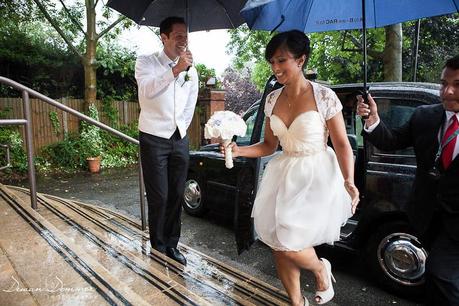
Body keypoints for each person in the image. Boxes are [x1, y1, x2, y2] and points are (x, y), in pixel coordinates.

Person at [221, 30, 359, 306]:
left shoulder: (324, 96)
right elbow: (269, 145)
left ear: (301, 60)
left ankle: (321, 269)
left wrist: (349, 181)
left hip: (316, 173)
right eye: (272, 61)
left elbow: (342, 144)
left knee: (290, 240)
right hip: (284, 173)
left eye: (281, 60)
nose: (275, 67)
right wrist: (239, 150)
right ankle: (297, 302)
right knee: (278, 243)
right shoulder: (272, 99)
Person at [357, 55, 459, 305]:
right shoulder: (425, 116)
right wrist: (372, 121)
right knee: (434, 281)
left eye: (457, 85)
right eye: (443, 83)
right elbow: (391, 140)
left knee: (441, 273)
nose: (447, 91)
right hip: (427, 216)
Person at [135, 16, 198, 266]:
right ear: (164, 37)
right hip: (153, 137)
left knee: (176, 194)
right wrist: (175, 70)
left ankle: (172, 244)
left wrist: (181, 127)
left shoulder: (192, 69)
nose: (184, 40)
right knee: (159, 195)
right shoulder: (146, 62)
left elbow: (190, 102)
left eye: (186, 35)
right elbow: (147, 91)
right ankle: (158, 246)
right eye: (179, 35)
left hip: (179, 137)